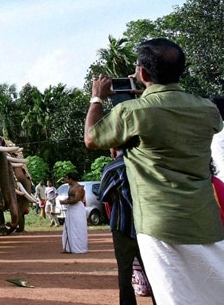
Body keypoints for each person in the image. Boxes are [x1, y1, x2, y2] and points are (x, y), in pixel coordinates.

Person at [84, 38, 224, 304]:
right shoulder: (208, 110)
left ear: (143, 73)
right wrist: (147, 91)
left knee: (174, 294)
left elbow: (92, 138)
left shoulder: (131, 112)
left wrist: (97, 98)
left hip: (160, 224)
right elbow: (172, 111)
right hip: (206, 220)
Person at [99, 149, 153, 304]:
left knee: (124, 272)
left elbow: (103, 194)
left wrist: (116, 194)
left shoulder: (112, 168)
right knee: (155, 272)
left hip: (122, 226)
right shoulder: (146, 162)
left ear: (115, 147)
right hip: (148, 226)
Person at [61, 172, 88, 253]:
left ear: (71, 179)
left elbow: (76, 199)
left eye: (67, 178)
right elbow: (71, 198)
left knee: (78, 227)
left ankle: (79, 248)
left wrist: (66, 202)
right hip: (71, 209)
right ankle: (69, 247)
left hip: (77, 209)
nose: (66, 180)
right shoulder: (70, 187)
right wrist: (66, 201)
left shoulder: (79, 188)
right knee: (69, 227)